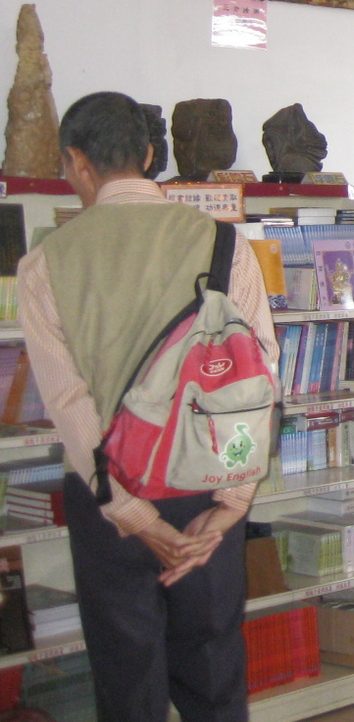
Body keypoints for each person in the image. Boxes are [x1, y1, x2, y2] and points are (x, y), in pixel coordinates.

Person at [18, 91, 276, 721]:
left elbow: (68, 402)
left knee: (127, 683)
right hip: (207, 484)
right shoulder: (223, 244)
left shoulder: (44, 264)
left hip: (108, 495)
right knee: (214, 678)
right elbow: (258, 377)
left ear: (77, 162)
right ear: (150, 153)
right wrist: (229, 507)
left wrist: (133, 515)